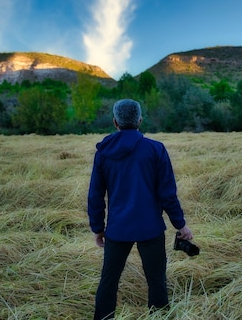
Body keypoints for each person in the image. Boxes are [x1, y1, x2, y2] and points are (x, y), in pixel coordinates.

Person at [87, 99, 193, 320]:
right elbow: (167, 194)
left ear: (115, 122)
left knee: (109, 281)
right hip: (150, 229)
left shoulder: (104, 152)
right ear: (140, 121)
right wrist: (180, 225)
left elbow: (95, 195)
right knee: (156, 282)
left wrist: (98, 228)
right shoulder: (155, 149)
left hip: (117, 230)